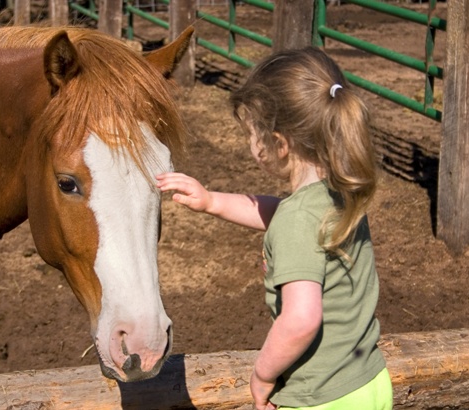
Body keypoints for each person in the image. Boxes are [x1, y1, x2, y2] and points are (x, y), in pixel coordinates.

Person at [156, 47, 393, 410]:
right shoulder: (341, 194)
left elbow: (301, 319)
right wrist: (211, 201)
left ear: (278, 144)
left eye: (251, 133)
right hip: (370, 384)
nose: (250, 143)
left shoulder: (297, 220)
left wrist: (263, 374)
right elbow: (280, 211)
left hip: (320, 398)